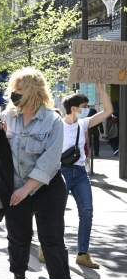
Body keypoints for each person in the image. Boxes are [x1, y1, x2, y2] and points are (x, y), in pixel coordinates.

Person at [0, 67, 82, 279]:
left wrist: (26, 189)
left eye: (21, 88)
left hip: (47, 186)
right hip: (15, 186)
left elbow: (50, 159)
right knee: (18, 238)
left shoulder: (52, 120)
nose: (15, 92)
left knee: (52, 239)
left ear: (34, 91)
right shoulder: (7, 116)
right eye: (14, 88)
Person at [60, 80, 113, 269]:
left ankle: (82, 253)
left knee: (87, 212)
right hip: (61, 172)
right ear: (74, 108)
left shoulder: (83, 124)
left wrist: (101, 88)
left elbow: (107, 111)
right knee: (56, 213)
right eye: (84, 107)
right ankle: (47, 247)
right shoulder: (57, 126)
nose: (86, 109)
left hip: (80, 172)